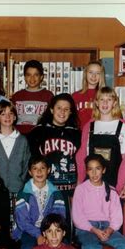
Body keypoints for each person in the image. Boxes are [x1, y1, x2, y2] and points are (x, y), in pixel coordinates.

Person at [27, 93, 81, 232]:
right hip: (44, 189)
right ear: (51, 109)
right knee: (42, 226)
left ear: (71, 112)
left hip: (68, 190)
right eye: (59, 108)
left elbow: (80, 161)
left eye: (66, 109)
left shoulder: (77, 134)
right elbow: (30, 161)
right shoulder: (37, 132)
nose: (62, 112)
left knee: (64, 228)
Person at [75, 86, 125, 198]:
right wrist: (80, 183)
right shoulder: (89, 126)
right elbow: (83, 156)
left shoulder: (124, 126)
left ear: (114, 103)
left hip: (114, 184)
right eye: (101, 99)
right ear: (96, 103)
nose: (105, 103)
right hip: (91, 184)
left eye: (109, 99)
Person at [12, 156, 66, 249]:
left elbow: (59, 217)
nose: (39, 171)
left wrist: (49, 233)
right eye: (35, 168)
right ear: (30, 172)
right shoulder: (24, 193)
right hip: (28, 231)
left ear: (49, 170)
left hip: (51, 230)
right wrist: (38, 235)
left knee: (63, 248)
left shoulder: (56, 193)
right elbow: (22, 222)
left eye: (42, 168)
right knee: (28, 248)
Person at [0, 99, 30, 195]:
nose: (7, 117)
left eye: (11, 113)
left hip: (18, 191)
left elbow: (26, 166)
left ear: (15, 117)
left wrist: (20, 184)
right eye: (3, 114)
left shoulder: (22, 141)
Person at [11, 59, 54, 134]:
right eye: (28, 75)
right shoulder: (17, 96)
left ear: (41, 77)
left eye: (36, 75)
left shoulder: (48, 96)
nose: (32, 78)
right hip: (19, 136)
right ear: (24, 77)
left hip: (40, 135)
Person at [72, 60, 106, 127]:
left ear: (101, 76)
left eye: (98, 73)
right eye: (91, 72)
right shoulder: (75, 96)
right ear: (85, 74)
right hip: (79, 134)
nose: (94, 76)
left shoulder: (105, 96)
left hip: (98, 134)